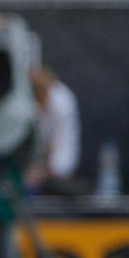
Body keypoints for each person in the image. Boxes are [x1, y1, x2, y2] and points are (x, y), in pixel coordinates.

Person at [25, 64, 82, 195]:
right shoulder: (32, 103)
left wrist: (44, 172)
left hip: (56, 178)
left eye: (39, 99)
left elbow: (64, 153)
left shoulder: (62, 104)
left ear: (43, 93)